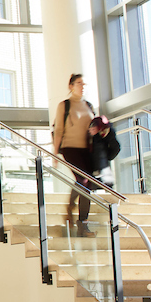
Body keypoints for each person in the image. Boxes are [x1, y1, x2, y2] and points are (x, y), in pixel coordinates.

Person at [52, 73, 97, 238]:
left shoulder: (89, 106)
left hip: (87, 150)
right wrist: (55, 154)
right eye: (79, 83)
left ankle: (81, 220)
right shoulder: (64, 105)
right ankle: (76, 215)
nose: (82, 86)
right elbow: (58, 131)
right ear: (71, 86)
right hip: (70, 148)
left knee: (87, 184)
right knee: (83, 181)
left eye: (83, 83)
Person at [88, 115, 120, 191]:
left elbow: (116, 148)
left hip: (102, 159)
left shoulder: (109, 133)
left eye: (93, 129)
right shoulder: (94, 135)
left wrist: (108, 156)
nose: (103, 133)